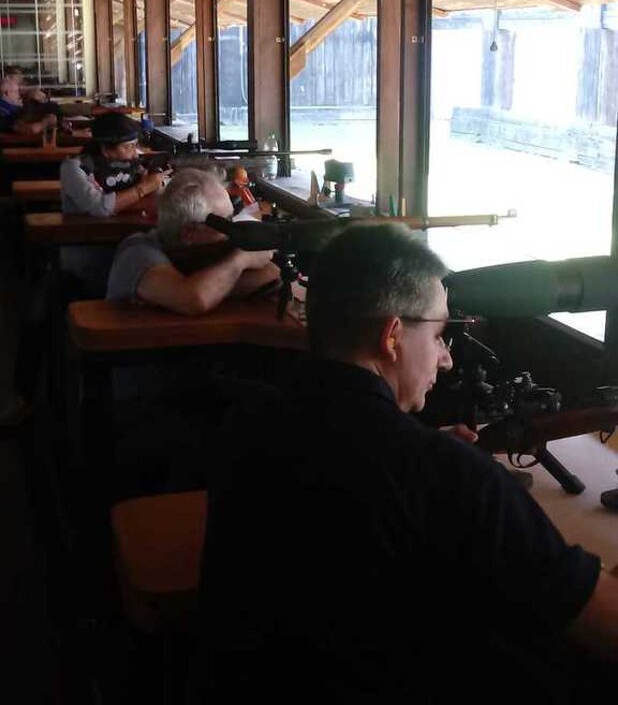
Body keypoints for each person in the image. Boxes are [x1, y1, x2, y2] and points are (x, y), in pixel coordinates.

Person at [189, 222, 618, 703]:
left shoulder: (247, 420)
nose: (446, 359)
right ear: (392, 336)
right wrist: (444, 465)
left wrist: (421, 450)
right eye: (439, 335)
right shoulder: (451, 478)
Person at [106, 167, 279, 315]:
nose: (232, 228)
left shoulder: (204, 253)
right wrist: (241, 260)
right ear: (189, 233)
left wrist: (219, 283)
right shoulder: (137, 252)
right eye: (225, 222)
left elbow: (270, 274)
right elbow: (194, 298)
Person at [60, 111, 168, 217]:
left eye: (135, 145)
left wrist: (155, 183)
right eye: (128, 147)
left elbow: (154, 201)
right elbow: (99, 207)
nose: (135, 154)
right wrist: (144, 188)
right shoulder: (74, 168)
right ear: (105, 149)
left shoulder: (130, 164)